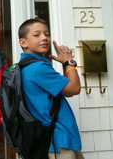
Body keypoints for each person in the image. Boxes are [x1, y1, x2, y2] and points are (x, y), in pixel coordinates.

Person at [18, 18, 84, 159]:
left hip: (50, 139)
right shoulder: (39, 68)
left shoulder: (25, 66)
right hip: (58, 139)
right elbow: (74, 89)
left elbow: (67, 92)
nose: (44, 38)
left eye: (46, 34)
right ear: (23, 42)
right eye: (37, 35)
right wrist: (69, 62)